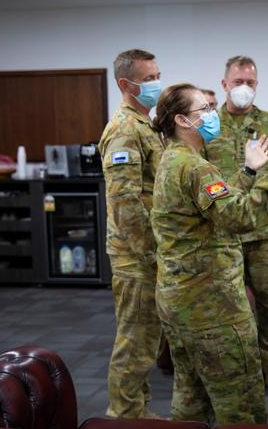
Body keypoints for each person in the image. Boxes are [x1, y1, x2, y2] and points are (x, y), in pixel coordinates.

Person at [151, 84, 268, 424]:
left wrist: (250, 171)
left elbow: (217, 207)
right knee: (240, 402)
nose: (213, 115)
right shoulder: (196, 168)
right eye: (204, 110)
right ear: (182, 120)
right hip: (212, 306)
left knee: (190, 396)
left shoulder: (174, 160)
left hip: (179, 302)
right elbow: (239, 216)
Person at [202, 56, 268, 397]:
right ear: (224, 83)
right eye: (238, 81)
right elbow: (203, 180)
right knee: (227, 308)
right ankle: (238, 373)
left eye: (251, 82)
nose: (245, 88)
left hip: (263, 232)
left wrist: (261, 194)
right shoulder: (208, 126)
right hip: (223, 234)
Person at [98, 48, 165, 419]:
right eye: (149, 78)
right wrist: (153, 254)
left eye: (158, 75)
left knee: (146, 340)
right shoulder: (124, 129)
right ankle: (122, 417)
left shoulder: (147, 124)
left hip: (148, 252)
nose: (157, 83)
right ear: (126, 84)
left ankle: (137, 411)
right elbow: (125, 203)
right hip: (136, 255)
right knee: (134, 342)